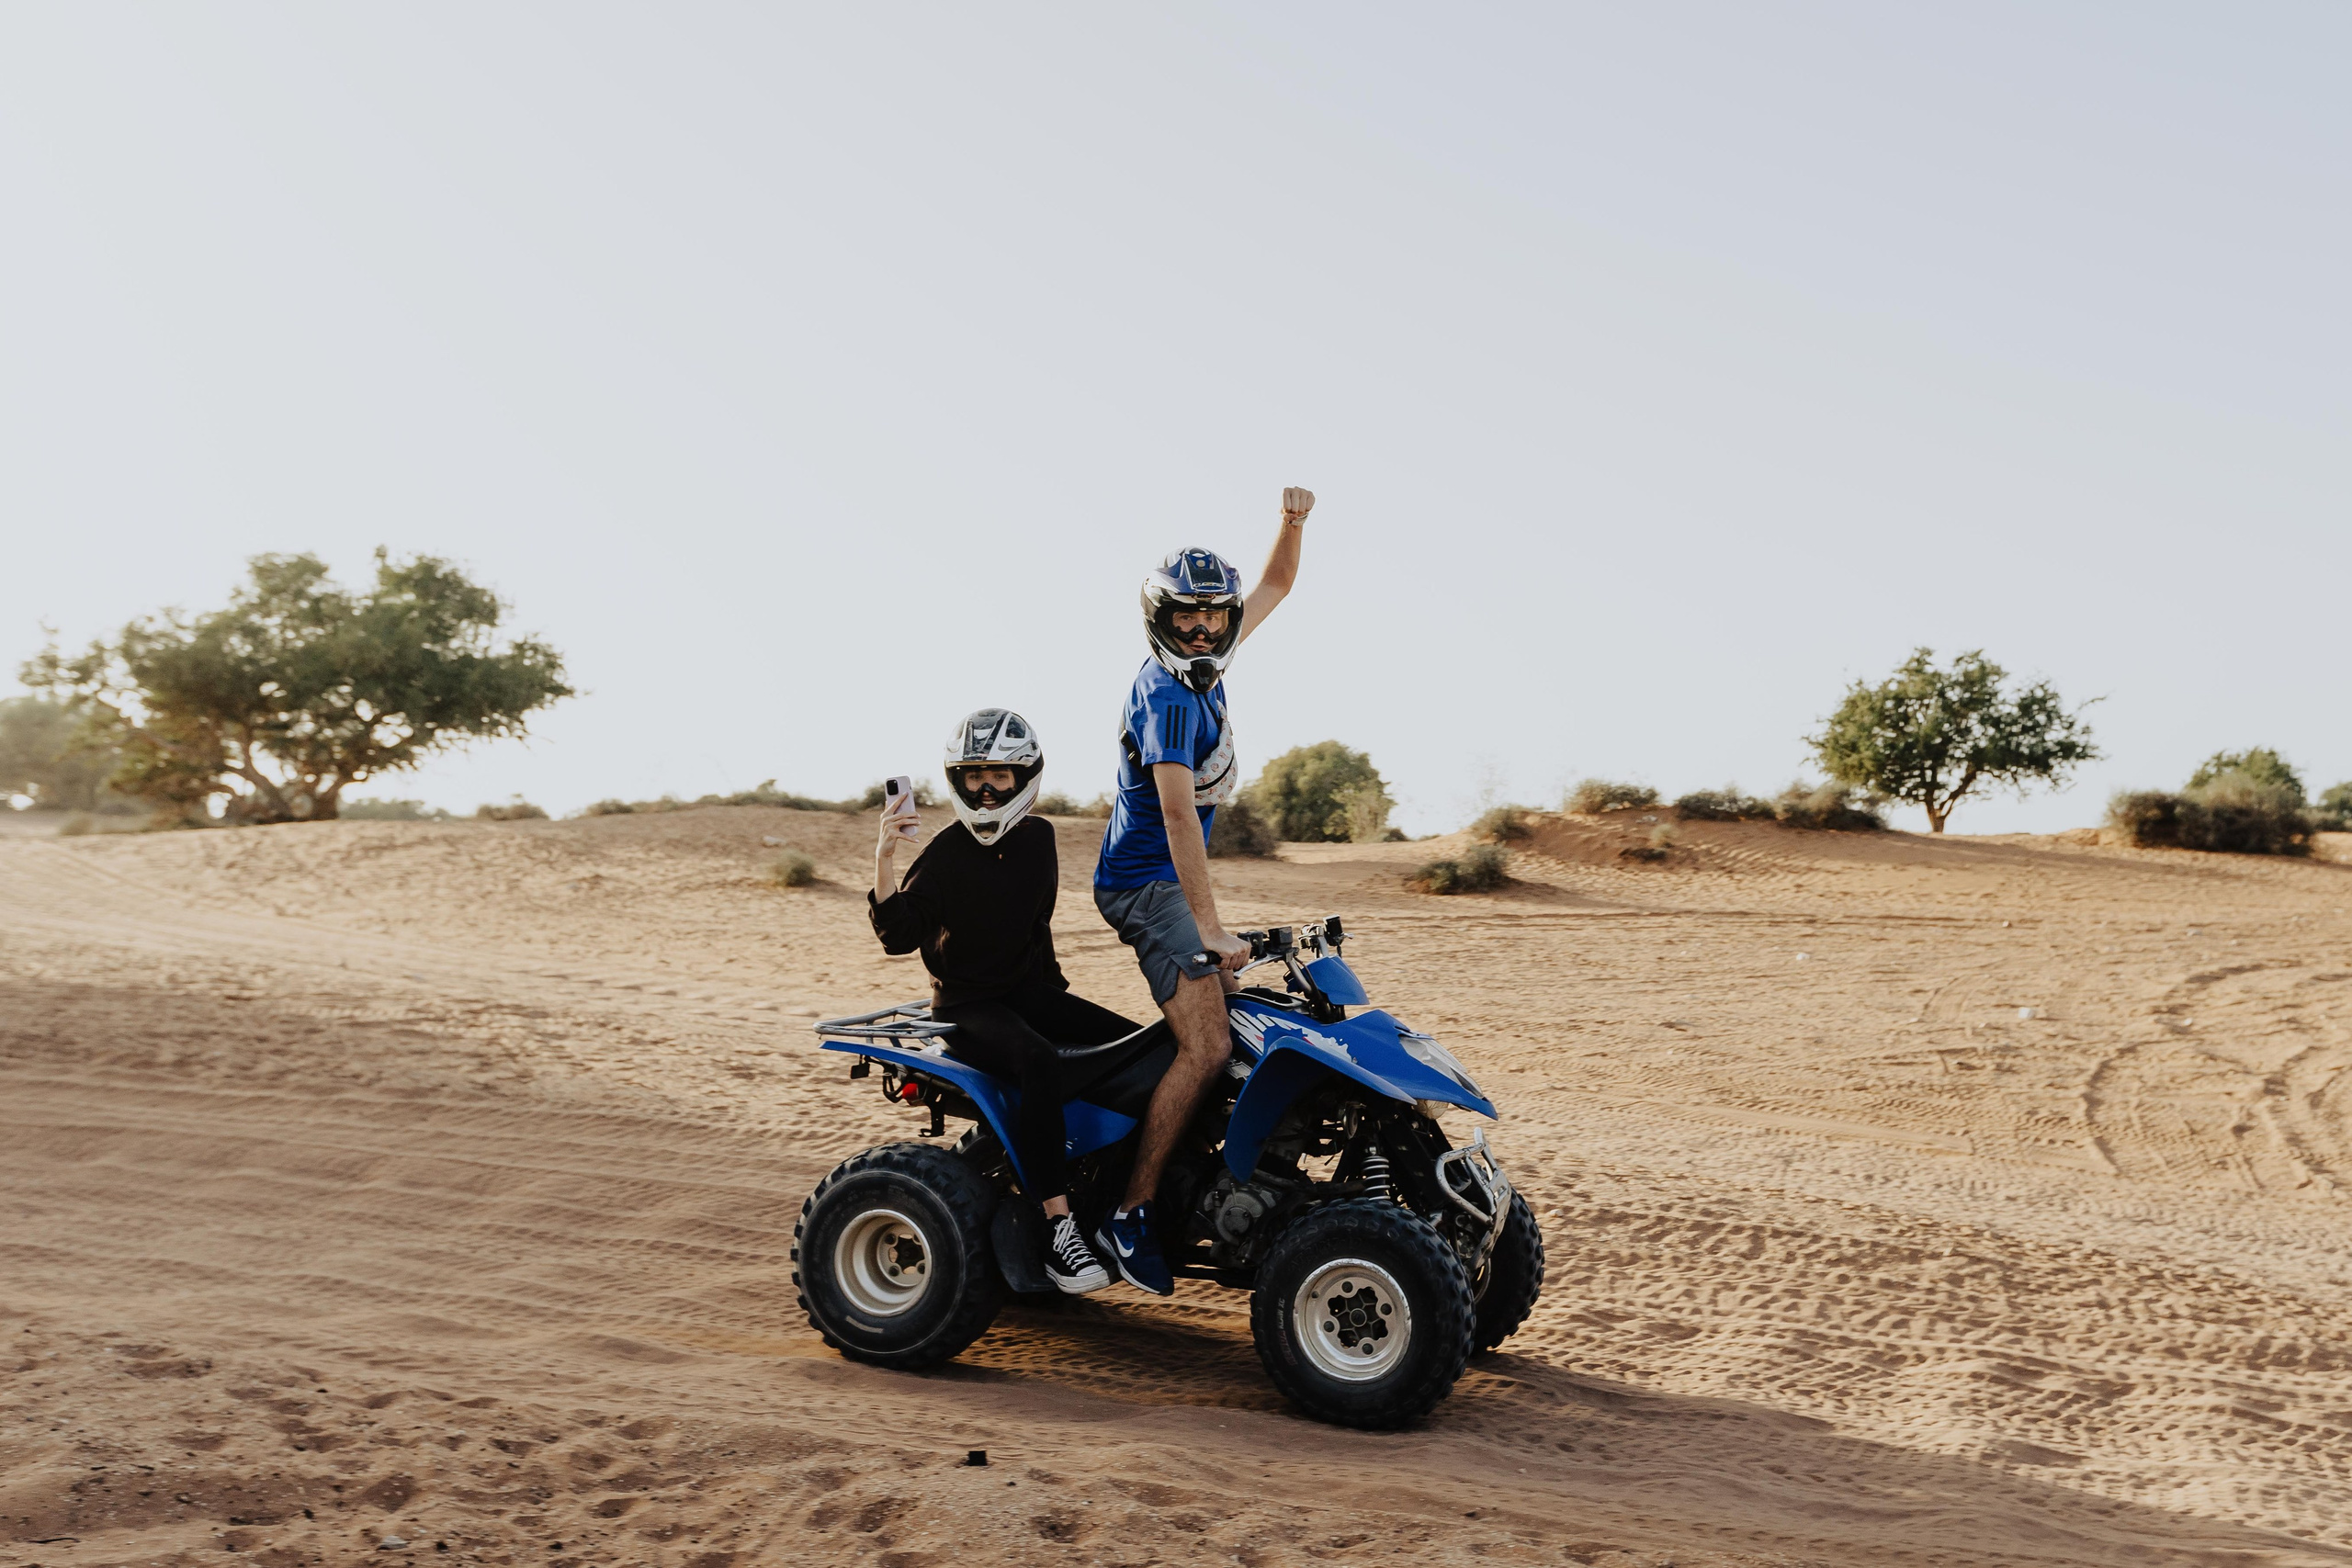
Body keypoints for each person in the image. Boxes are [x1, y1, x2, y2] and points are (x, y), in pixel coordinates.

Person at [1092, 486, 1315, 1294]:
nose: (1202, 627)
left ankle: (1199, 1166)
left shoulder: (1211, 661)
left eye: (1213, 616)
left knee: (1243, 1020)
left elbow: (1277, 588)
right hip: (1143, 885)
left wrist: (1291, 524)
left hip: (1172, 887)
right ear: (1162, 618)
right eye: (1187, 616)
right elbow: (1180, 815)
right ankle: (1133, 1212)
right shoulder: (1165, 695)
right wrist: (1209, 926)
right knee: (1212, 1043)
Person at [867, 707, 1140, 1294]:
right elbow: (897, 936)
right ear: (956, 780)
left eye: (999, 776)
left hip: (1028, 993)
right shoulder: (943, 855)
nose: (986, 790)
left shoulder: (1040, 839)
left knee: (1141, 1047)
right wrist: (885, 857)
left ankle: (1111, 1197)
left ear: (1025, 778)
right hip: (966, 1007)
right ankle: (1058, 1229)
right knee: (1039, 1060)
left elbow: (1035, 929)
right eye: (973, 776)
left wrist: (1058, 1002)